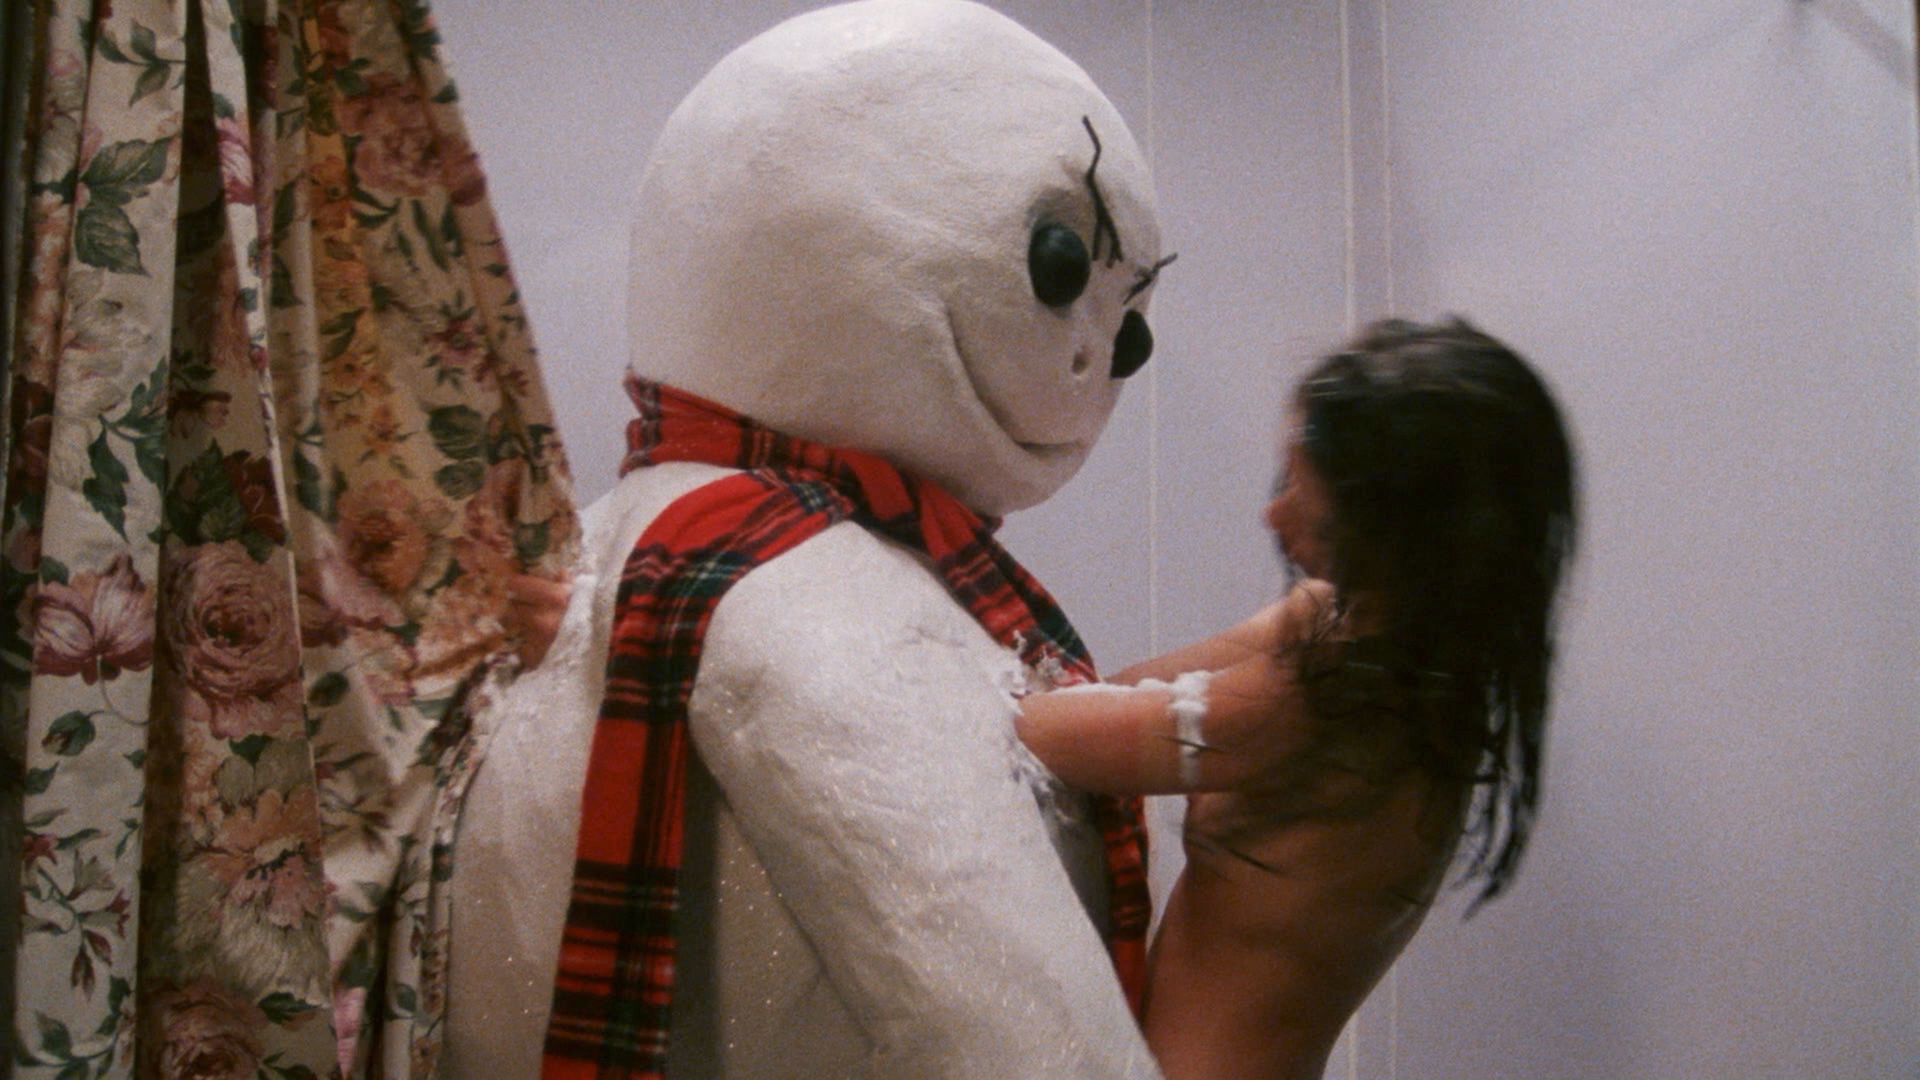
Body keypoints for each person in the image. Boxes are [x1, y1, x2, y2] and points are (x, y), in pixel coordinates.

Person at [1017, 316, 1579, 1080]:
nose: (1272, 517)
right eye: (1284, 482)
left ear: (1395, 531)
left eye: (1310, 505)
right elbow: (1099, 694)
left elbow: (1039, 733)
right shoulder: (1378, 654)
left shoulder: (1339, 709)